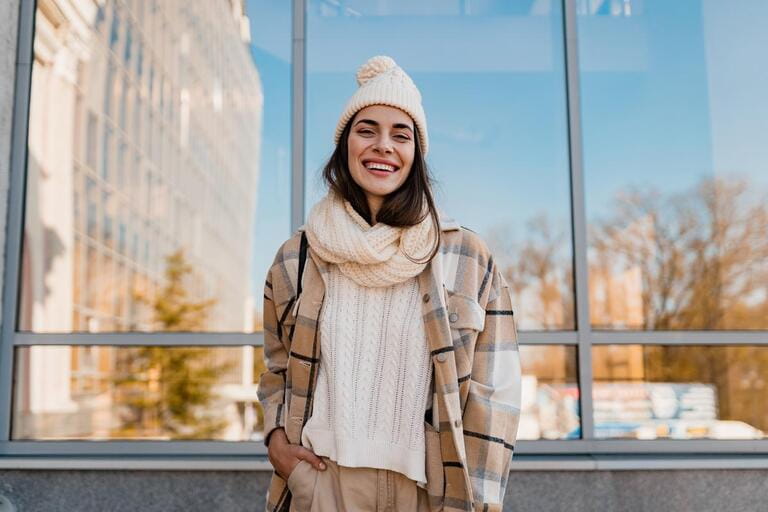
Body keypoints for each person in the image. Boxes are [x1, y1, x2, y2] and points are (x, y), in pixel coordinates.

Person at [258, 55, 521, 512]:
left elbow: (496, 390)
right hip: (324, 481)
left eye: (401, 135)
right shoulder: (297, 256)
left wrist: (481, 498)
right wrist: (276, 442)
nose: (383, 146)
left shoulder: (465, 256)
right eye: (367, 130)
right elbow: (276, 367)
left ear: (416, 154)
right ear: (344, 146)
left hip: (429, 490)